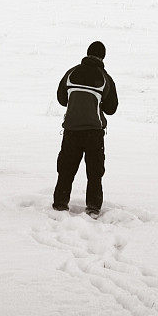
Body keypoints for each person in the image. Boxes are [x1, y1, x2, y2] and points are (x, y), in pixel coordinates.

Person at [53, 40, 118, 216]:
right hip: (94, 133)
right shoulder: (105, 77)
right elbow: (112, 108)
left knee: (66, 169)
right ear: (103, 57)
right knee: (95, 172)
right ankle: (93, 208)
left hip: (71, 130)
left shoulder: (71, 72)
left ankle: (60, 204)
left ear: (87, 53)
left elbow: (61, 99)